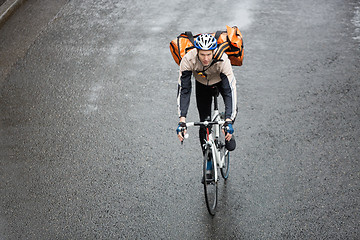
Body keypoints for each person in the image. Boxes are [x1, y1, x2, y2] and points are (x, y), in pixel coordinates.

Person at [176, 33, 237, 153]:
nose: (206, 58)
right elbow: (184, 90)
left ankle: (228, 129)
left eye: (209, 54)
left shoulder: (223, 59)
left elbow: (231, 91)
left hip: (221, 81)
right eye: (202, 54)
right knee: (204, 122)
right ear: (197, 51)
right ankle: (207, 157)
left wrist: (229, 120)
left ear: (213, 51)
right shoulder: (188, 59)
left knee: (230, 118)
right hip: (202, 83)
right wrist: (182, 120)